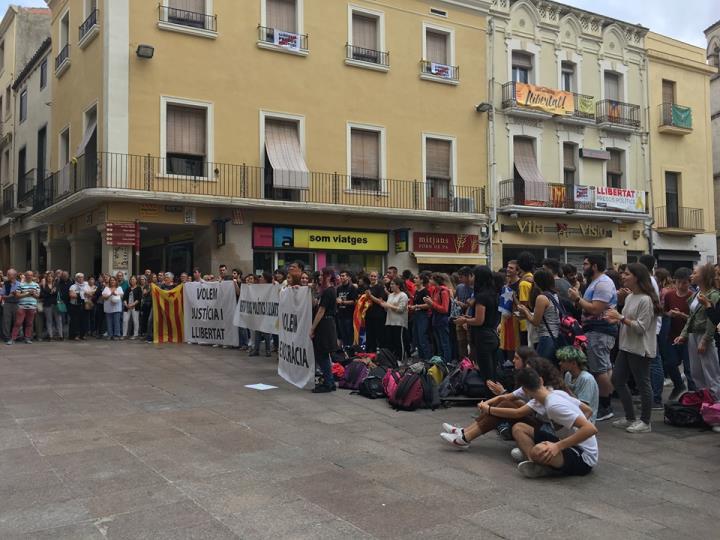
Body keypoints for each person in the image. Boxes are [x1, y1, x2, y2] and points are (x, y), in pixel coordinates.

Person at [504, 367, 599, 478]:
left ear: (524, 390)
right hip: (565, 442)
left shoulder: (553, 406)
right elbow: (588, 410)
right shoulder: (555, 393)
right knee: (519, 427)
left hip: (584, 457)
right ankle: (534, 463)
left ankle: (541, 463)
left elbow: (591, 429)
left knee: (537, 451)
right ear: (541, 380)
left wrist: (558, 446)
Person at [605, 263, 661, 433]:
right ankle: (630, 417)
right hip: (626, 346)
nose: (623, 276)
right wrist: (617, 319)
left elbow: (641, 327)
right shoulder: (630, 297)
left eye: (627, 274)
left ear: (637, 277)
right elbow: (627, 321)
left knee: (643, 383)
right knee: (617, 380)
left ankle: (645, 421)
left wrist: (620, 318)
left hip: (640, 348)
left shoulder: (645, 300)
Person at [568, 254, 617, 421]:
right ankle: (605, 401)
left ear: (594, 266)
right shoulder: (595, 282)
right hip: (595, 330)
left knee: (599, 369)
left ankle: (605, 405)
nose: (583, 266)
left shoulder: (603, 283)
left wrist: (578, 299)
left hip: (600, 330)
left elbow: (595, 309)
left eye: (586, 264)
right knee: (603, 367)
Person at [675, 264, 720, 400]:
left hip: (705, 335)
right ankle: (704, 402)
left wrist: (705, 340)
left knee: (710, 371)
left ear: (704, 276)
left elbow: (713, 320)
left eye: (695, 273)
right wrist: (683, 335)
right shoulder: (696, 294)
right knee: (696, 372)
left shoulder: (714, 295)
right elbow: (691, 317)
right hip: (694, 335)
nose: (691, 276)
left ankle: (716, 404)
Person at [455, 265, 499, 382]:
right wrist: (469, 317)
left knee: (486, 372)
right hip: (492, 334)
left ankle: (489, 398)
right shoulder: (492, 293)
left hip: (483, 337)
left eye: (473, 275)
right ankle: (493, 396)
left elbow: (479, 321)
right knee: (492, 370)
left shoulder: (481, 297)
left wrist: (464, 320)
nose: (471, 278)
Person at [517, 269, 561, 362]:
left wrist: (525, 311)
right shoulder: (554, 295)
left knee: (538, 366)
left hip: (546, 336)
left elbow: (535, 322)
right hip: (556, 336)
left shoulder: (541, 298)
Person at [662, 267, 693, 398]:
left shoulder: (693, 296)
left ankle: (693, 394)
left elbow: (694, 318)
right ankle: (679, 384)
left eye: (684, 282)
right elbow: (664, 312)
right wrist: (669, 314)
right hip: (672, 335)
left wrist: (682, 315)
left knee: (689, 368)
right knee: (670, 363)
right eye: (678, 282)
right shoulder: (669, 295)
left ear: (689, 282)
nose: (680, 285)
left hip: (687, 337)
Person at [310, 268, 338, 393]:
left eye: (322, 275)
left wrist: (312, 328)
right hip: (326, 324)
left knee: (322, 354)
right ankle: (329, 381)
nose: (320, 277)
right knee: (322, 354)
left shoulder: (329, 291)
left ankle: (328, 382)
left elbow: (321, 311)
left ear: (328, 277)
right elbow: (317, 305)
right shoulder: (326, 291)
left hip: (325, 325)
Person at [557, 346, 599, 423]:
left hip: (586, 418)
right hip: (572, 411)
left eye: (563, 361)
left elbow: (583, 406)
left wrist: (565, 387)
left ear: (574, 363)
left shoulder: (586, 379)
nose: (560, 363)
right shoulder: (568, 375)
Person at [381, 277, 409, 362]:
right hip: (390, 321)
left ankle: (401, 359)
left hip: (399, 322)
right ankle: (393, 360)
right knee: (391, 342)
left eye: (393, 284)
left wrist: (388, 306)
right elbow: (387, 308)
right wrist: (384, 306)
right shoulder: (390, 295)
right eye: (391, 284)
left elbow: (400, 309)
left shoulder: (403, 295)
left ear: (398, 285)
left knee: (399, 342)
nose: (391, 285)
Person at [425, 273, 451, 362]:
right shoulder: (435, 290)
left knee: (444, 342)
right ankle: (440, 361)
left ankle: (447, 362)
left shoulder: (443, 291)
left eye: (431, 279)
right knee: (438, 343)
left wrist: (432, 303)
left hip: (442, 319)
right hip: (435, 318)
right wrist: (429, 303)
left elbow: (445, 309)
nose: (429, 281)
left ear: (436, 280)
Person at [9, 270, 40, 344]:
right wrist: (27, 294)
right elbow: (17, 295)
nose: (29, 276)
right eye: (28, 275)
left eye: (30, 275)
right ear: (25, 276)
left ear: (32, 276)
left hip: (32, 307)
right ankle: (13, 339)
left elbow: (38, 296)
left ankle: (27, 338)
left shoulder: (36, 285)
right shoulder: (21, 285)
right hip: (22, 306)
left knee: (29, 323)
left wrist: (33, 294)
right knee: (18, 323)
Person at [364, 271, 388, 354]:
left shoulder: (380, 287)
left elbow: (381, 302)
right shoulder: (366, 287)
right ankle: (370, 354)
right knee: (370, 337)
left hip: (379, 316)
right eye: (371, 276)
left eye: (374, 276)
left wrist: (371, 296)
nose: (373, 278)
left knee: (380, 336)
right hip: (368, 315)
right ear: (369, 277)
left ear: (377, 278)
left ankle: (382, 355)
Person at [410, 272, 432, 360]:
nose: (414, 280)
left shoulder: (425, 291)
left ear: (421, 280)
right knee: (417, 338)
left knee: (422, 337)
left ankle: (427, 358)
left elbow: (429, 305)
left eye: (416, 278)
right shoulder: (416, 291)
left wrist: (417, 306)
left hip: (423, 316)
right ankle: (421, 358)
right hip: (416, 315)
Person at [516, 251, 536, 347]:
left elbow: (522, 306)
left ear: (519, 265)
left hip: (525, 323)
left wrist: (514, 298)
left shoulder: (523, 283)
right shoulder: (532, 278)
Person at [454, 267, 474, 360]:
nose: (460, 279)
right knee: (461, 342)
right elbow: (456, 298)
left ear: (469, 276)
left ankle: (471, 362)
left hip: (470, 318)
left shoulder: (475, 288)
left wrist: (465, 305)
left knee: (471, 342)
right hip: (459, 317)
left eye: (462, 277)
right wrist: (458, 303)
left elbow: (473, 304)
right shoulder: (459, 287)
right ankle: (463, 362)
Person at [336, 270, 358, 348]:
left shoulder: (352, 288)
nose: (341, 277)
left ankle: (350, 352)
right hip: (340, 315)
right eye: (341, 276)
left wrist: (342, 302)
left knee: (349, 335)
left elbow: (354, 301)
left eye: (343, 276)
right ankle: (345, 352)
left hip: (349, 315)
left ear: (348, 277)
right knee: (343, 335)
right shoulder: (338, 288)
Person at [68, 273, 90, 340]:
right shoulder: (73, 286)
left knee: (84, 320)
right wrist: (81, 294)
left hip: (84, 303)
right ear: (76, 278)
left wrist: (80, 294)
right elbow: (71, 295)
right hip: (75, 304)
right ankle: (75, 335)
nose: (80, 279)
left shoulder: (86, 285)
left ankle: (82, 335)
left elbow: (90, 293)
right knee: (75, 320)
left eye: (82, 277)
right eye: (79, 277)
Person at [41, 272, 62, 340]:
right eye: (48, 276)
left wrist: (51, 293)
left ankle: (60, 335)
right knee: (49, 320)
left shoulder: (56, 285)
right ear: (46, 278)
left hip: (56, 304)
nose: (50, 278)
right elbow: (42, 295)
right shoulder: (43, 285)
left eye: (51, 276)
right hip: (47, 304)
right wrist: (51, 292)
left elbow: (58, 293)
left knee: (58, 319)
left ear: (53, 278)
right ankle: (50, 335)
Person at [102, 276, 124, 340]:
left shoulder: (119, 288)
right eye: (111, 280)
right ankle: (110, 335)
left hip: (117, 307)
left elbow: (122, 296)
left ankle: (116, 335)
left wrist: (116, 294)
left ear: (116, 281)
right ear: (109, 281)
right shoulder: (106, 288)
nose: (112, 281)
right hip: (108, 308)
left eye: (113, 280)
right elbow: (103, 297)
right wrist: (110, 294)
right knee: (109, 322)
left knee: (116, 322)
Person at [1, 269, 19, 343]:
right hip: (7, 304)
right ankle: (6, 337)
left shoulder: (19, 284)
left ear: (14, 275)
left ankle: (16, 336)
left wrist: (16, 294)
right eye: (7, 274)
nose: (7, 276)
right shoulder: (5, 284)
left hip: (17, 303)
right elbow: (3, 295)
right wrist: (10, 295)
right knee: (6, 321)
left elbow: (22, 294)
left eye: (9, 274)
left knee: (17, 321)